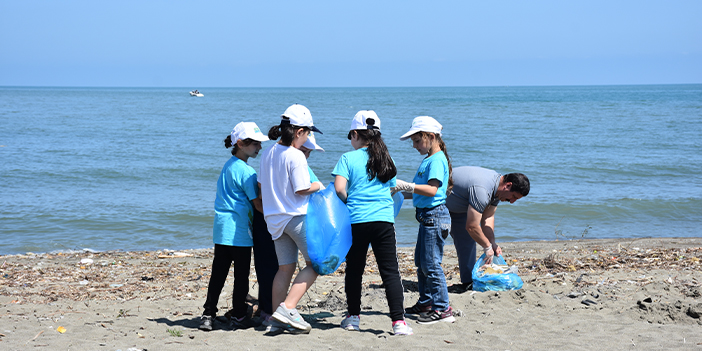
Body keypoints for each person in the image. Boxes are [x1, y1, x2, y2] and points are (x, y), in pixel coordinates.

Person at [332, 110, 413, 336]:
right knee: (390, 272)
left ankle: (353, 318)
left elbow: (339, 189)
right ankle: (399, 322)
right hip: (383, 221)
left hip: (357, 221)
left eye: (350, 135)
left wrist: (351, 202)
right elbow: (392, 190)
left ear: (356, 134)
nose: (350, 140)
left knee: (355, 269)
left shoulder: (348, 158)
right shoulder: (387, 159)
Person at [258, 104, 322, 334]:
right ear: (298, 132)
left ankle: (276, 318)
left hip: (274, 220)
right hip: (295, 218)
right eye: (307, 133)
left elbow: (261, 186)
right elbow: (301, 188)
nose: (307, 139)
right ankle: (288, 307)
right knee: (316, 263)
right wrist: (319, 185)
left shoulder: (268, 152)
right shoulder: (295, 155)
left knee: (285, 269)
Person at [199, 122, 269, 331]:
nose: (259, 148)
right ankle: (239, 314)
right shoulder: (247, 172)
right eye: (255, 144)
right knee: (241, 276)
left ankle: (208, 314)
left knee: (218, 275)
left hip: (222, 229)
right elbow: (257, 203)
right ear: (240, 143)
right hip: (239, 232)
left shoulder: (228, 166)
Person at [393, 116, 455, 324]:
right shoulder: (429, 159)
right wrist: (398, 192)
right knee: (421, 262)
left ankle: (442, 308)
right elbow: (421, 193)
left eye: (417, 140)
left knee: (431, 264)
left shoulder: (437, 159)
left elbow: (432, 190)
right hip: (427, 216)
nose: (414, 145)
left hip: (435, 216)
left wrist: (405, 185)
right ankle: (427, 301)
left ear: (430, 136)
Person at [445, 166, 530, 289]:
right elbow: (472, 226)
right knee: (435, 241)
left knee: (467, 241)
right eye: (514, 197)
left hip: (459, 205)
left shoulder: (498, 190)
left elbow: (488, 217)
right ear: (508, 185)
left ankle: (468, 282)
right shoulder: (483, 190)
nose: (512, 202)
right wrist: (487, 247)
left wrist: (492, 243)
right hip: (437, 200)